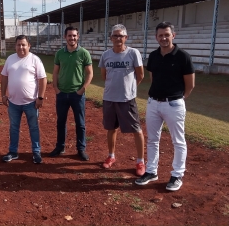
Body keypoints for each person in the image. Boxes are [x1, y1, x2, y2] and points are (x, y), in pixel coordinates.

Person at [135, 22, 195, 191]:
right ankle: (152, 171)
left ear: (173, 36)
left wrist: (178, 99)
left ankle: (177, 174)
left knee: (178, 141)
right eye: (160, 35)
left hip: (174, 103)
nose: (163, 38)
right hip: (153, 102)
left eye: (166, 35)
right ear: (156, 37)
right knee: (153, 139)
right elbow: (153, 78)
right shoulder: (153, 56)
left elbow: (190, 85)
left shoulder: (183, 56)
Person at [98, 24, 145, 176]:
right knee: (111, 128)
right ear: (111, 38)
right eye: (115, 35)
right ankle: (111, 156)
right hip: (109, 98)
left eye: (121, 36)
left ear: (126, 38)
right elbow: (104, 76)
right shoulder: (106, 55)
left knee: (136, 130)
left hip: (127, 99)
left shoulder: (133, 53)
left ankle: (140, 161)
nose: (118, 38)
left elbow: (140, 75)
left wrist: (129, 89)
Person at [1, 35, 47, 164]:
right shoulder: (10, 59)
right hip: (13, 102)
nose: (21, 47)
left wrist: (40, 97)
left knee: (33, 127)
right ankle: (13, 152)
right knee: (14, 127)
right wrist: (3, 95)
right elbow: (4, 77)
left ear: (29, 46)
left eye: (23, 45)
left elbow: (42, 79)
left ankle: (36, 152)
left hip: (31, 102)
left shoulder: (35, 60)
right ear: (15, 46)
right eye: (18, 45)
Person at [49, 26, 93, 161]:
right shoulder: (59, 53)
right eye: (69, 36)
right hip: (62, 94)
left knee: (80, 123)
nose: (72, 38)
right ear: (65, 37)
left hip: (77, 94)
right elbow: (55, 72)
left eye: (74, 35)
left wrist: (82, 89)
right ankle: (60, 147)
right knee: (61, 122)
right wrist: (56, 88)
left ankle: (81, 149)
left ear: (78, 36)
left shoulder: (84, 53)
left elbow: (90, 73)